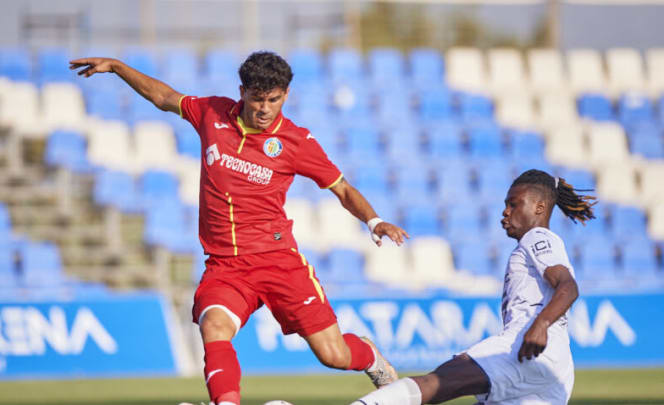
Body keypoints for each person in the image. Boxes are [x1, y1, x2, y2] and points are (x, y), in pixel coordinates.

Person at [70, 51, 409, 405]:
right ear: (242, 92)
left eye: (274, 99)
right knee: (213, 326)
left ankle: (368, 355)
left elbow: (341, 187)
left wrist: (374, 220)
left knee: (333, 355)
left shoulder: (296, 142)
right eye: (257, 99)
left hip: (279, 260)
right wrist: (119, 67)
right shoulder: (212, 113)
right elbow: (164, 97)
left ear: (285, 96)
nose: (265, 108)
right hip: (226, 266)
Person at [352, 169, 596, 405]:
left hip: (527, 349)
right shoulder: (534, 244)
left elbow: (568, 286)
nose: (505, 212)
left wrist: (540, 325)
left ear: (539, 207)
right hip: (555, 370)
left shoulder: (538, 237)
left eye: (514, 204)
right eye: (506, 204)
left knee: (435, 383)